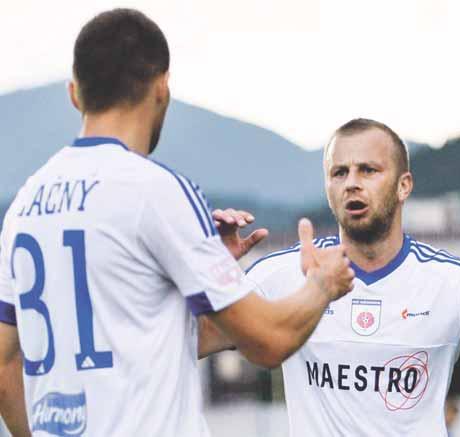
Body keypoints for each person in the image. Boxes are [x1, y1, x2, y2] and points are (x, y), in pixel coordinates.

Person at [0, 9, 355, 436]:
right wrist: (324, 284)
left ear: (75, 94)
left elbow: (5, 364)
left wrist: (205, 266)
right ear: (162, 86)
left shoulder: (25, 203)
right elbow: (268, 341)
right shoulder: (155, 190)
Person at [208, 118, 460, 436]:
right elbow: (191, 340)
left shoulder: (454, 282)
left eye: (368, 170)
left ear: (403, 185)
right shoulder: (282, 273)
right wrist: (214, 272)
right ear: (328, 186)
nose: (351, 182)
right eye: (339, 172)